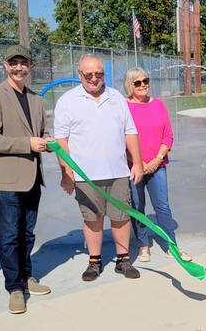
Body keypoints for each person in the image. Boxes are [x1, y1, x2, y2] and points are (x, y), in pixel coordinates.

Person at [54, 54, 144, 282]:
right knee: (92, 219)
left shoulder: (116, 98)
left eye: (99, 74)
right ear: (79, 75)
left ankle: (123, 259)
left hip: (118, 172)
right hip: (86, 176)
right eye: (89, 75)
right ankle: (94, 261)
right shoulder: (67, 101)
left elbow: (130, 132)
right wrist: (67, 172)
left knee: (121, 217)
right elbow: (61, 141)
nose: (94, 79)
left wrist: (138, 163)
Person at [0, 45, 53, 314]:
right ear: (5, 65)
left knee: (28, 233)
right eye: (14, 63)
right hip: (8, 180)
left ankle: (26, 276)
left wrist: (47, 142)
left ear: (30, 66)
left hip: (33, 178)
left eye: (23, 63)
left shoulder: (36, 99)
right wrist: (28, 144)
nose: (19, 67)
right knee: (10, 235)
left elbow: (41, 133)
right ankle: (14, 288)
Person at [122, 67, 192, 263]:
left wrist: (157, 159)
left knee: (162, 206)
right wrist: (138, 162)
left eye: (146, 80)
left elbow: (168, 135)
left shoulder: (159, 105)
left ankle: (172, 246)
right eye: (138, 82)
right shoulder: (124, 107)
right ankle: (143, 246)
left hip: (158, 165)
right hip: (133, 166)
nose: (143, 85)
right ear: (130, 85)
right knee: (137, 206)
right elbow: (120, 139)